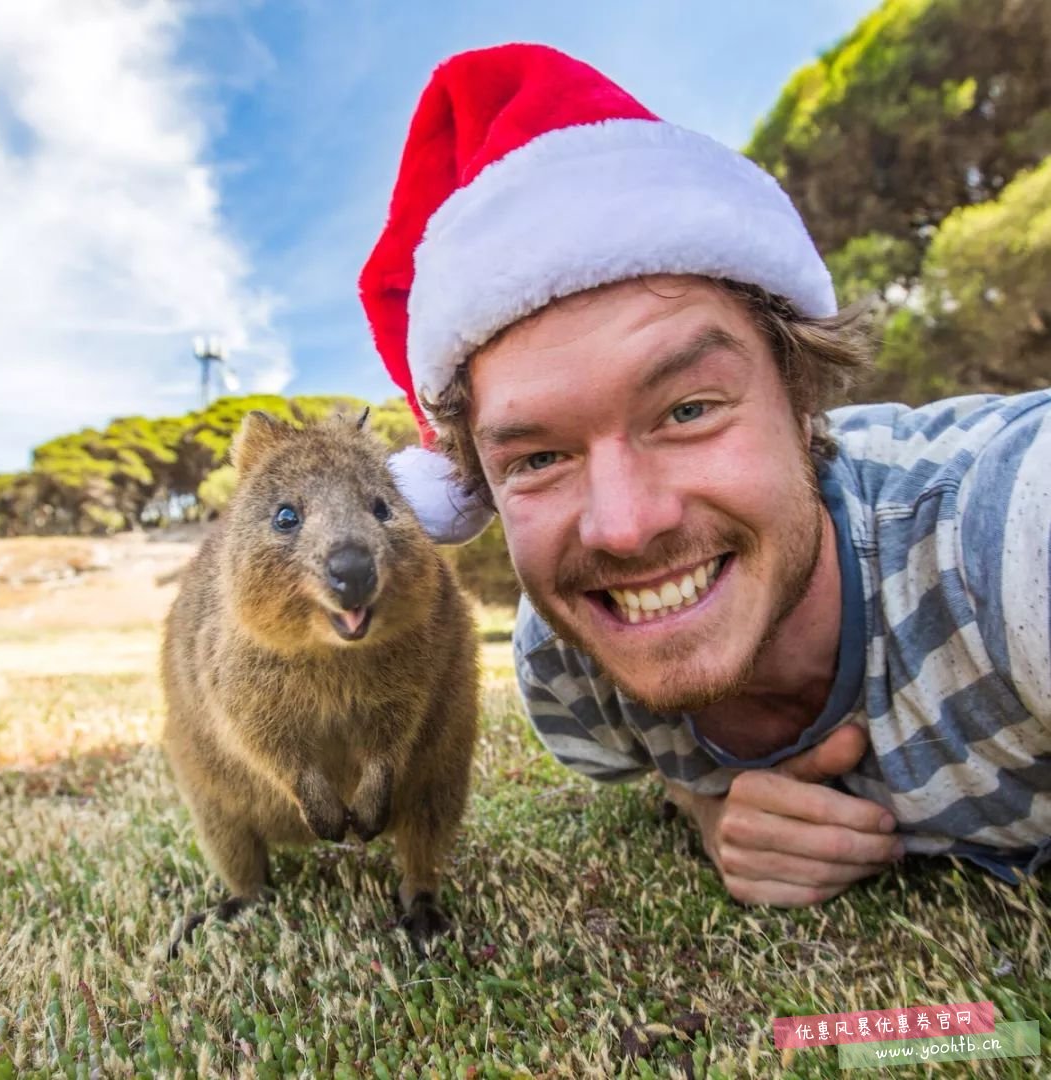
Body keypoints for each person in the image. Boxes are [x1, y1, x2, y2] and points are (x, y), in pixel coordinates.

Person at [359, 43, 1051, 906]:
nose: (624, 527)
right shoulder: (570, 680)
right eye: (538, 458)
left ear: (801, 396)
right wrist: (704, 805)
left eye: (687, 410)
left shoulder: (999, 530)